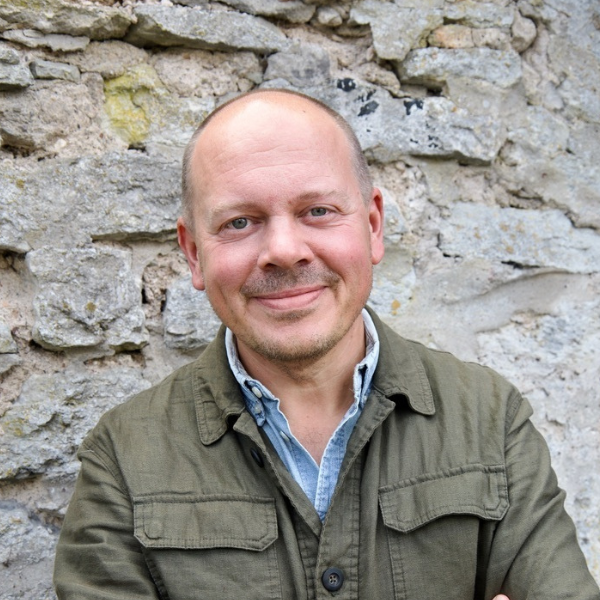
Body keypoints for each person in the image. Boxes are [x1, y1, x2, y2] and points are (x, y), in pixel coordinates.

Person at [53, 89, 600, 599]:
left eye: (317, 211)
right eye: (240, 222)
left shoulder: (489, 421)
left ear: (373, 225)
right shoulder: (123, 461)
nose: (284, 250)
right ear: (194, 253)